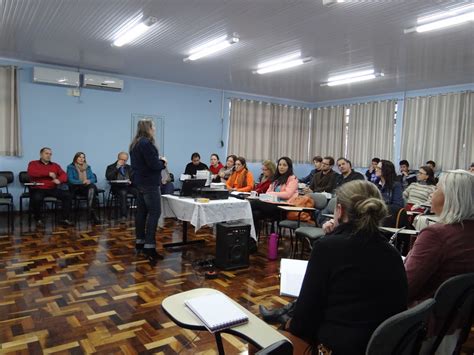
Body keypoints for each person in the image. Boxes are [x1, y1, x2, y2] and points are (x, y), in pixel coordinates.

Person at [267, 180, 408, 354]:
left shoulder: (327, 248)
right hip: (382, 346)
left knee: (261, 344)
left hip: (335, 346)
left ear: (339, 211)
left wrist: (287, 325)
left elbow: (304, 320)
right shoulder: (392, 252)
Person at [405, 170, 474, 304]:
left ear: (450, 197)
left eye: (436, 189)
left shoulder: (435, 235)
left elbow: (405, 287)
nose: (431, 194)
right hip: (457, 317)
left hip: (423, 316)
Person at [130, 119, 166, 264]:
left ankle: (140, 242)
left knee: (142, 213)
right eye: (153, 126)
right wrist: (163, 162)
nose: (155, 129)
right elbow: (154, 165)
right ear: (148, 128)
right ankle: (149, 247)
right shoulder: (146, 143)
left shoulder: (135, 144)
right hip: (149, 183)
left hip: (139, 183)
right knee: (154, 213)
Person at [251, 157, 298, 235]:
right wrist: (270, 194)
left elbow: (287, 194)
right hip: (272, 206)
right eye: (279, 165)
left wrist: (272, 194)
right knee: (255, 213)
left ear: (289, 167)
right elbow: (267, 192)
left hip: (283, 208)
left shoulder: (293, 179)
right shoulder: (276, 179)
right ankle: (252, 239)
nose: (281, 167)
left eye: (284, 165)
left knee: (255, 203)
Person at [27, 147, 73, 228]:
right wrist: (48, 173)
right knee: (37, 198)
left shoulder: (55, 165)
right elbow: (31, 173)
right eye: (46, 153)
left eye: (50, 154)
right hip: (38, 188)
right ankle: (38, 219)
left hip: (52, 188)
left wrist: (59, 180)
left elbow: (64, 175)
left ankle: (64, 218)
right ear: (41, 154)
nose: (49, 155)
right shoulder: (33, 163)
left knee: (68, 195)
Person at [67, 152, 101, 225]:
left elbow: (93, 178)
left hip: (86, 188)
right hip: (76, 188)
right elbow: (71, 180)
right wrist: (83, 182)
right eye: (79, 157)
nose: (81, 159)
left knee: (92, 186)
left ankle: (90, 210)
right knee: (92, 188)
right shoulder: (70, 167)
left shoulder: (87, 167)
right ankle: (92, 213)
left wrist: (89, 180)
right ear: (76, 158)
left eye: (83, 157)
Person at [105, 152, 137, 221]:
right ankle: (124, 216)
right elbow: (109, 177)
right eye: (122, 159)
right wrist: (117, 167)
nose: (123, 161)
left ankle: (142, 213)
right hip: (117, 187)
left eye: (125, 160)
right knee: (123, 192)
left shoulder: (129, 167)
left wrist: (131, 181)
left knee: (140, 192)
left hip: (128, 186)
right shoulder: (111, 167)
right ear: (118, 158)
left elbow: (135, 178)